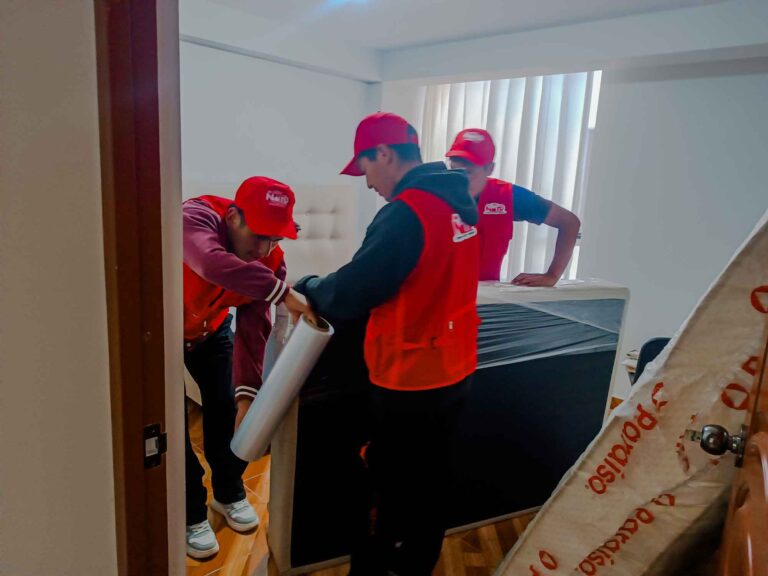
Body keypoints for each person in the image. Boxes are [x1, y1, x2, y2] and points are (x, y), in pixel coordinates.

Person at [294, 112, 480, 576]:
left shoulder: (407, 211)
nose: (368, 182)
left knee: (388, 491)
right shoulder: (461, 203)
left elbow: (354, 290)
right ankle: (417, 565)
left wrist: (310, 284)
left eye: (366, 168)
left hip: (408, 377)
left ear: (384, 153)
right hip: (456, 367)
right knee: (432, 482)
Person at [183, 176, 313, 558]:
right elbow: (208, 262)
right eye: (260, 235)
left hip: (212, 330)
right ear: (234, 217)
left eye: (276, 238)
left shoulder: (272, 260)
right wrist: (284, 293)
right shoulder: (195, 217)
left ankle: (228, 492)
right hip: (157, 328)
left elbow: (255, 328)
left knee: (225, 410)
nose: (266, 248)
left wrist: (247, 397)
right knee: (171, 423)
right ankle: (191, 512)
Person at [446, 128, 581, 284]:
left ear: (489, 169)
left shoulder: (507, 196)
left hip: (484, 299)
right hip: (439, 298)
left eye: (469, 172)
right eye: (454, 170)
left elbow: (569, 222)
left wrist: (552, 275)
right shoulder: (434, 194)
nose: (460, 179)